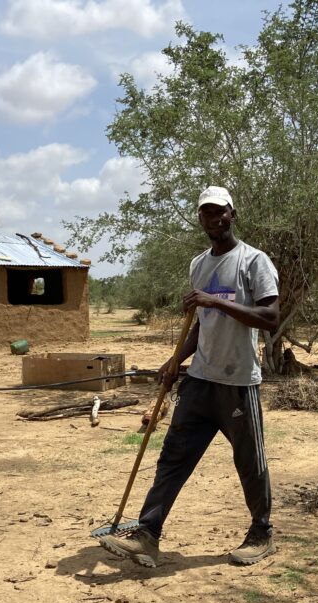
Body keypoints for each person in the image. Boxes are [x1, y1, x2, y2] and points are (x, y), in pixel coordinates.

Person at [98, 185, 280, 568]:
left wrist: (215, 301)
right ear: (200, 219)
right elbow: (202, 324)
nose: (213, 219)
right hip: (199, 380)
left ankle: (261, 533)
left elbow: (270, 317)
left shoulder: (253, 261)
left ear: (232, 214)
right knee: (173, 456)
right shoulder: (199, 265)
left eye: (219, 211)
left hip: (237, 382)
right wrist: (175, 359)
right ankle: (147, 534)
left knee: (250, 462)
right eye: (206, 213)